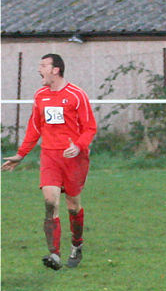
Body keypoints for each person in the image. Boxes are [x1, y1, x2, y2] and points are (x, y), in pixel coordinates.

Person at [2, 53, 96, 270]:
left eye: (43, 65)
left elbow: (90, 127)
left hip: (74, 159)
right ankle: (54, 254)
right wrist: (21, 154)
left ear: (56, 69)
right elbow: (35, 127)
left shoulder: (76, 95)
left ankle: (77, 244)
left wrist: (78, 146)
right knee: (50, 202)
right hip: (50, 157)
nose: (39, 69)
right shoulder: (40, 95)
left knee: (73, 206)